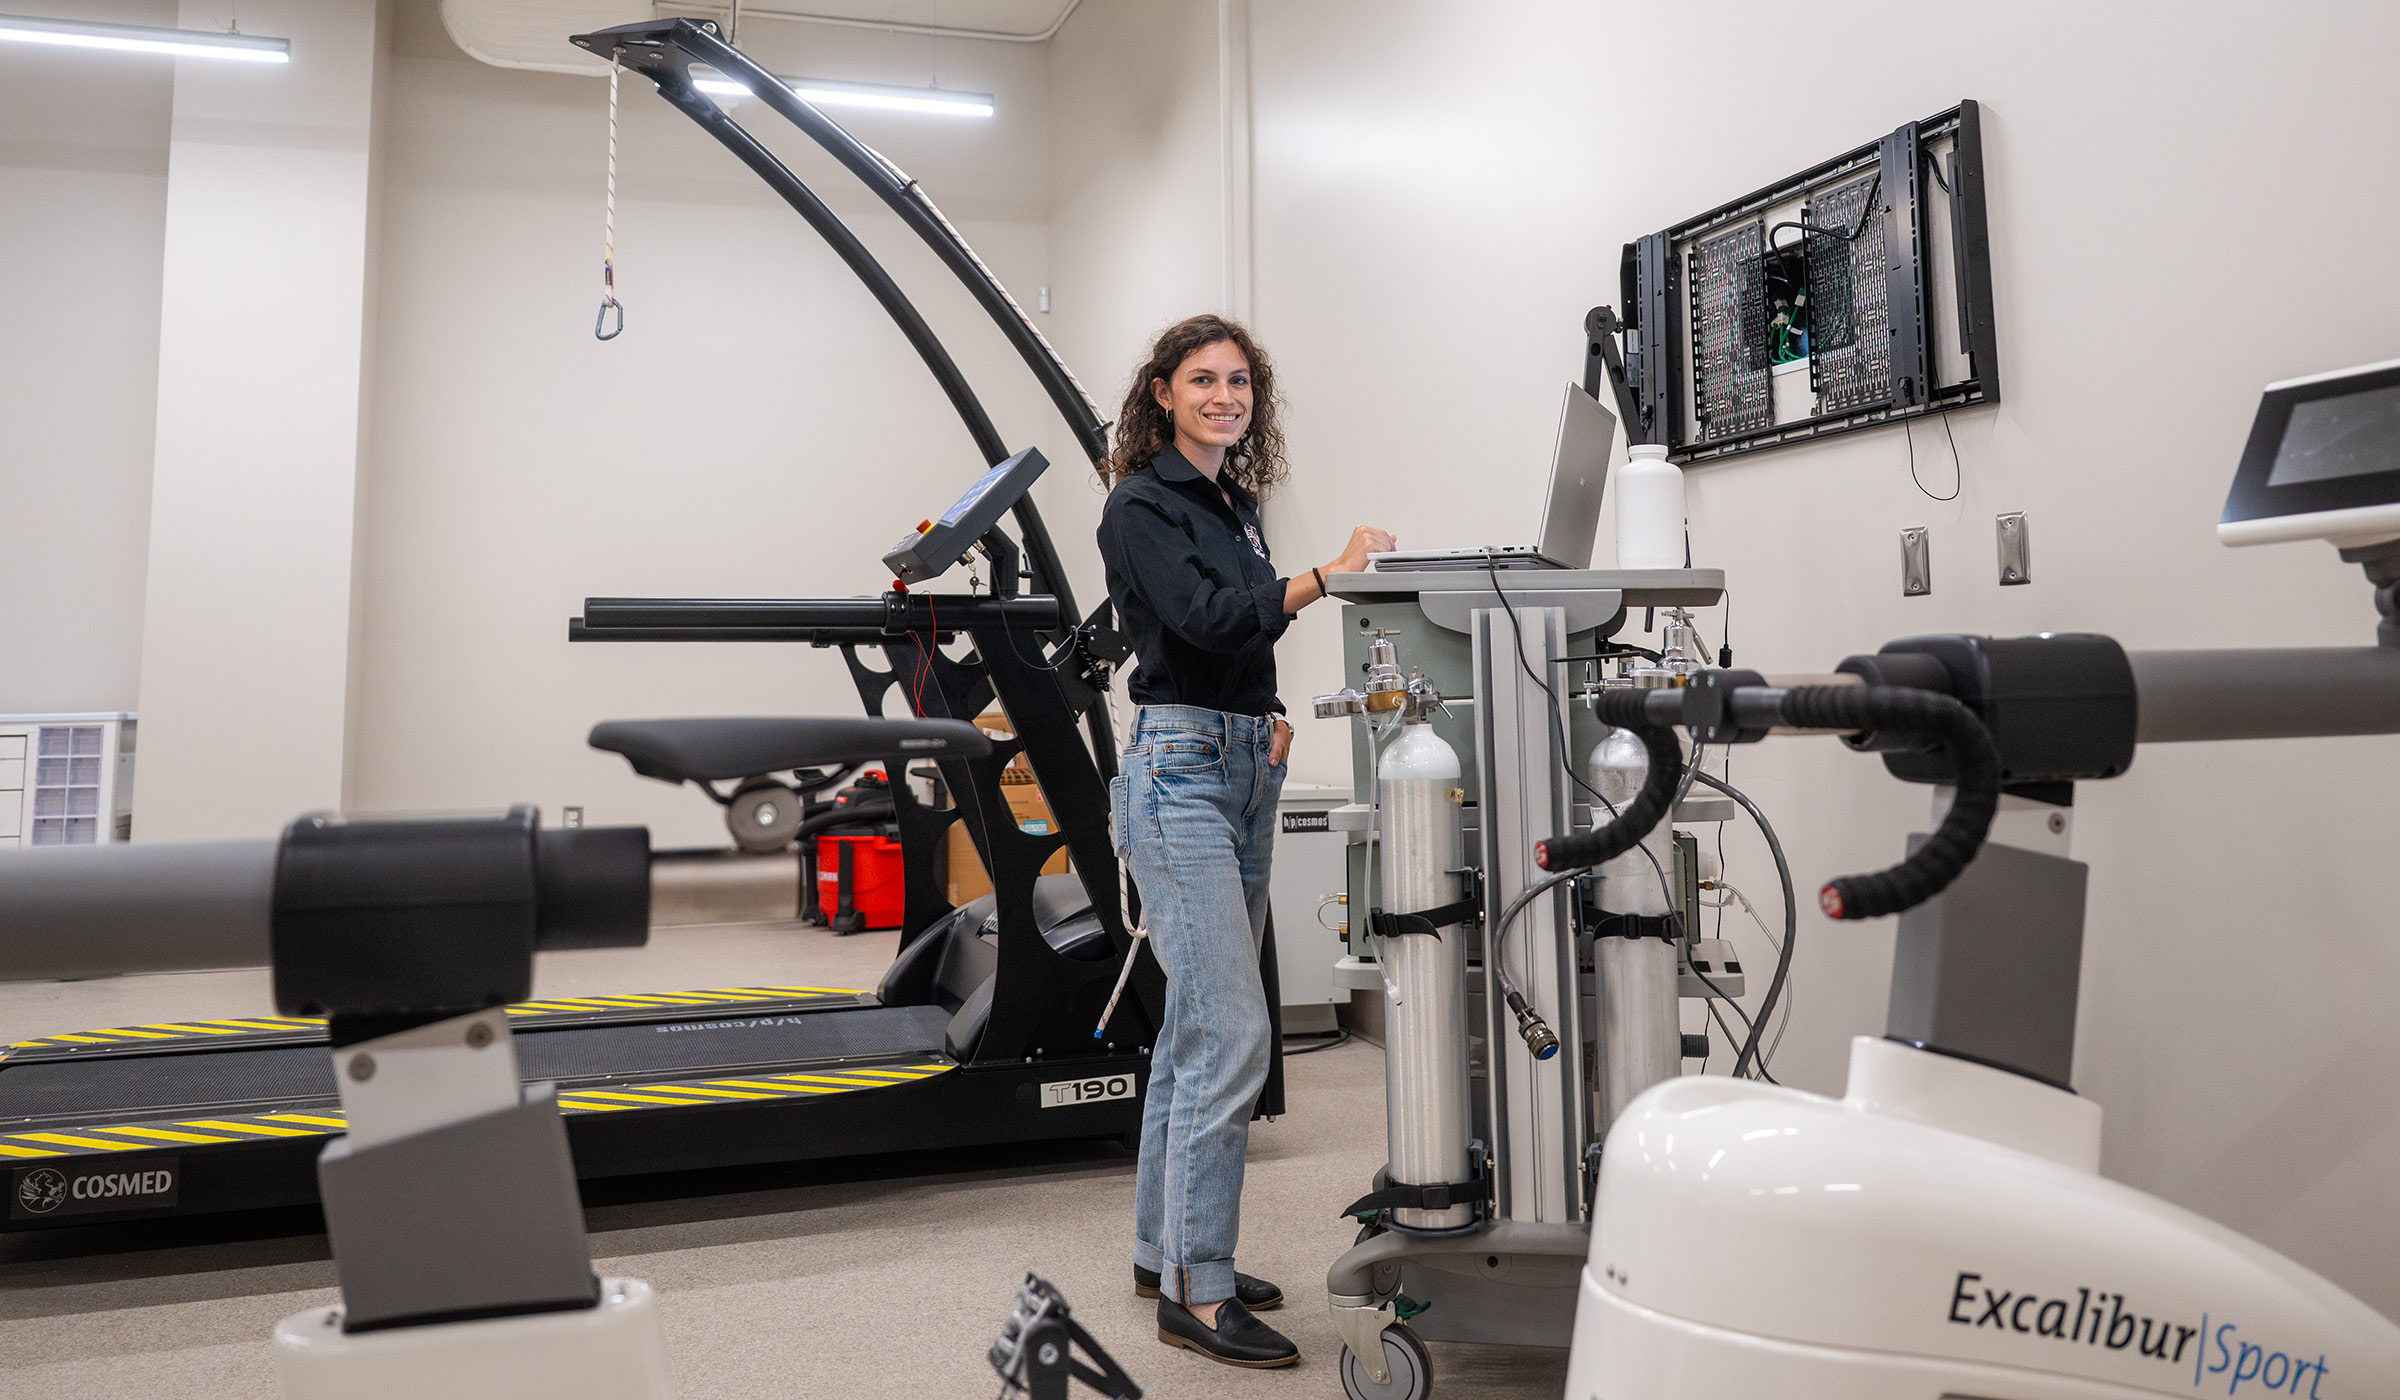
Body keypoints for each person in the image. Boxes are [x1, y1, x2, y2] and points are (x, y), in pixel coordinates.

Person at [1095, 313, 1395, 1368]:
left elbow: (1239, 638)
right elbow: (1208, 619)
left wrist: (1262, 711)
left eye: (1240, 382)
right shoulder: (1138, 503)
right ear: (1164, 394)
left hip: (1240, 761)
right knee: (1233, 1031)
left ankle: (1159, 1249)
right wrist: (1329, 572)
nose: (1226, 395)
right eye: (1203, 380)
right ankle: (1198, 1287)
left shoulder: (1236, 501)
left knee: (1192, 1029)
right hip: (1176, 772)